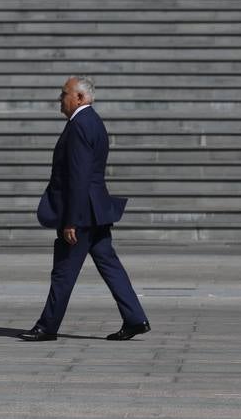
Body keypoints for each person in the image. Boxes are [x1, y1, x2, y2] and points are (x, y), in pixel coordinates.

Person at [20, 76, 150, 342]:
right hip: (96, 209)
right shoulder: (94, 121)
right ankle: (135, 318)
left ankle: (47, 326)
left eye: (64, 93)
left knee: (64, 272)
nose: (60, 98)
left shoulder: (79, 125)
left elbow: (78, 177)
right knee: (110, 265)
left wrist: (71, 220)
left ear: (80, 97)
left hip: (82, 213)